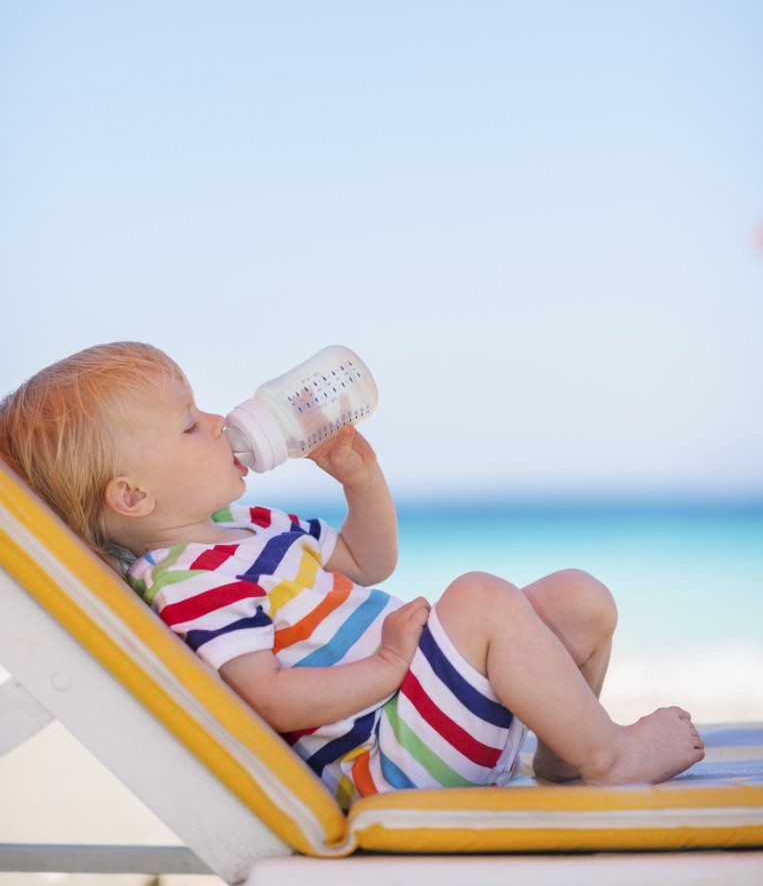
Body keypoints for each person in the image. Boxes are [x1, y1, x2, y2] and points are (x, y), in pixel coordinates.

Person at [0, 341, 705, 807]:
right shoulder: (190, 581)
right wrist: (390, 663)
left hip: (423, 714)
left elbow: (370, 562)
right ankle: (611, 759)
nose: (218, 421)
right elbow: (271, 700)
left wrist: (361, 481)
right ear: (132, 497)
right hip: (386, 762)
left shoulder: (249, 526)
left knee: (578, 599)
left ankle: (565, 756)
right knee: (479, 598)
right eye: (189, 424)